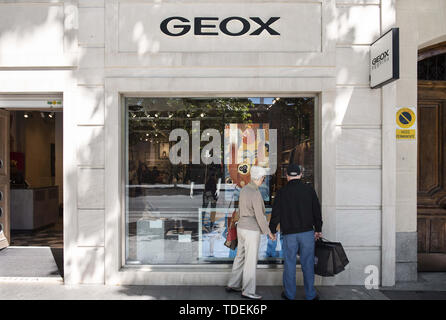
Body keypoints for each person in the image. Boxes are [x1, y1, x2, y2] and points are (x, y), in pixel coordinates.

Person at [269, 163, 322, 301]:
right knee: (308, 264)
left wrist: (272, 230)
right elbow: (317, 211)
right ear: (300, 175)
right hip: (307, 233)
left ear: (287, 176)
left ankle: (289, 294)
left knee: (290, 264)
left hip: (289, 234)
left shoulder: (281, 192)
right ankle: (310, 294)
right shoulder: (309, 190)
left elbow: (276, 214)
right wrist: (319, 229)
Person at [226, 166, 276, 300]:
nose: (263, 180)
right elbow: (260, 216)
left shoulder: (244, 190)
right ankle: (248, 291)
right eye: (263, 178)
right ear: (259, 178)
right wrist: (268, 232)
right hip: (251, 229)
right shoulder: (255, 192)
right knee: (250, 260)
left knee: (240, 256)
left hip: (241, 227)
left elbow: (240, 210)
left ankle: (233, 283)